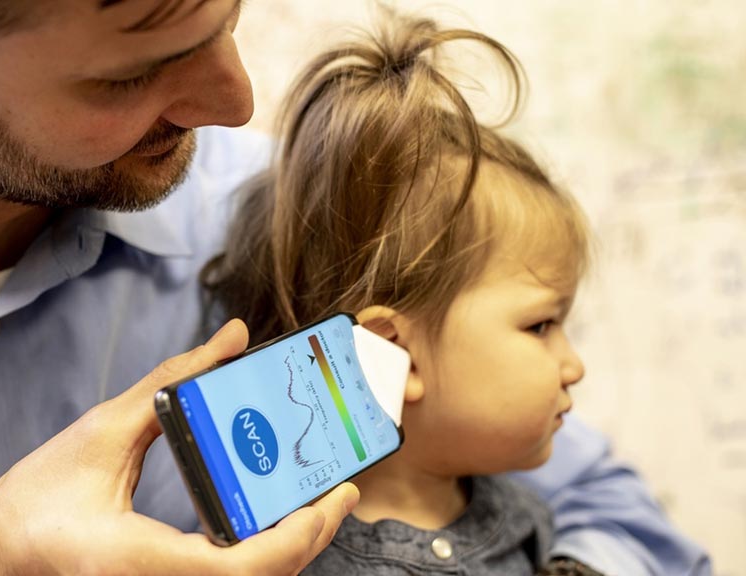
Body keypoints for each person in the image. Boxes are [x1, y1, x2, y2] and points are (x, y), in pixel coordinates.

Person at [0, 0, 709, 574]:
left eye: (224, 20)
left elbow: (612, 517)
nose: (235, 103)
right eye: (129, 77)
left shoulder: (280, 216)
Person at [203, 14, 599, 574]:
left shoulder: (527, 518)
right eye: (540, 326)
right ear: (394, 349)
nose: (573, 366)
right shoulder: (291, 559)